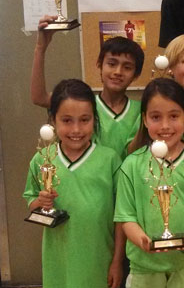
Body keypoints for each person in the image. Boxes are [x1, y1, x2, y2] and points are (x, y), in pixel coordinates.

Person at [114, 78, 184, 287]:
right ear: (144, 120)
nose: (165, 126)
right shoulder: (131, 165)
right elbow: (125, 216)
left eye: (174, 116)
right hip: (144, 267)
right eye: (155, 117)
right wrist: (141, 239)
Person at [23, 79, 124, 288]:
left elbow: (121, 217)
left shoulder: (110, 160)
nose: (76, 129)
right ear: (53, 120)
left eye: (84, 120)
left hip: (99, 259)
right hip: (58, 260)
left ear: (94, 119)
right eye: (67, 120)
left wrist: (117, 261)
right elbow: (31, 202)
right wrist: (40, 202)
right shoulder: (42, 159)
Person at [31, 15, 145, 159]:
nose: (118, 72)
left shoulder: (142, 111)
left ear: (136, 75)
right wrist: (40, 48)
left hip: (128, 181)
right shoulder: (84, 104)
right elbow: (39, 97)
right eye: (112, 64)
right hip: (92, 180)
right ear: (100, 65)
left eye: (127, 67)